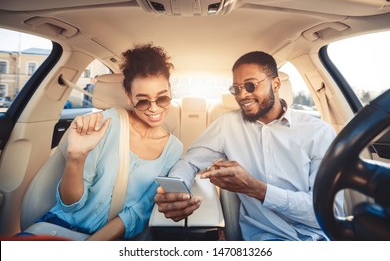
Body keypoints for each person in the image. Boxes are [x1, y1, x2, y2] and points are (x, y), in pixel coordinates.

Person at [154, 51, 344, 241]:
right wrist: (177, 192)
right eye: (236, 89)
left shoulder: (319, 132)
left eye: (250, 85)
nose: (242, 95)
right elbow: (189, 162)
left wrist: (256, 189)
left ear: (275, 84)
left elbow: (330, 212)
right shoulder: (227, 125)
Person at [33, 44, 183, 240]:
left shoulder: (174, 148)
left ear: (170, 92)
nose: (154, 109)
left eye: (162, 98)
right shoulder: (104, 123)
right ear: (129, 97)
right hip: (59, 228)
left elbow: (140, 210)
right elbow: (70, 204)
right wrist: (75, 158)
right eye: (143, 100)